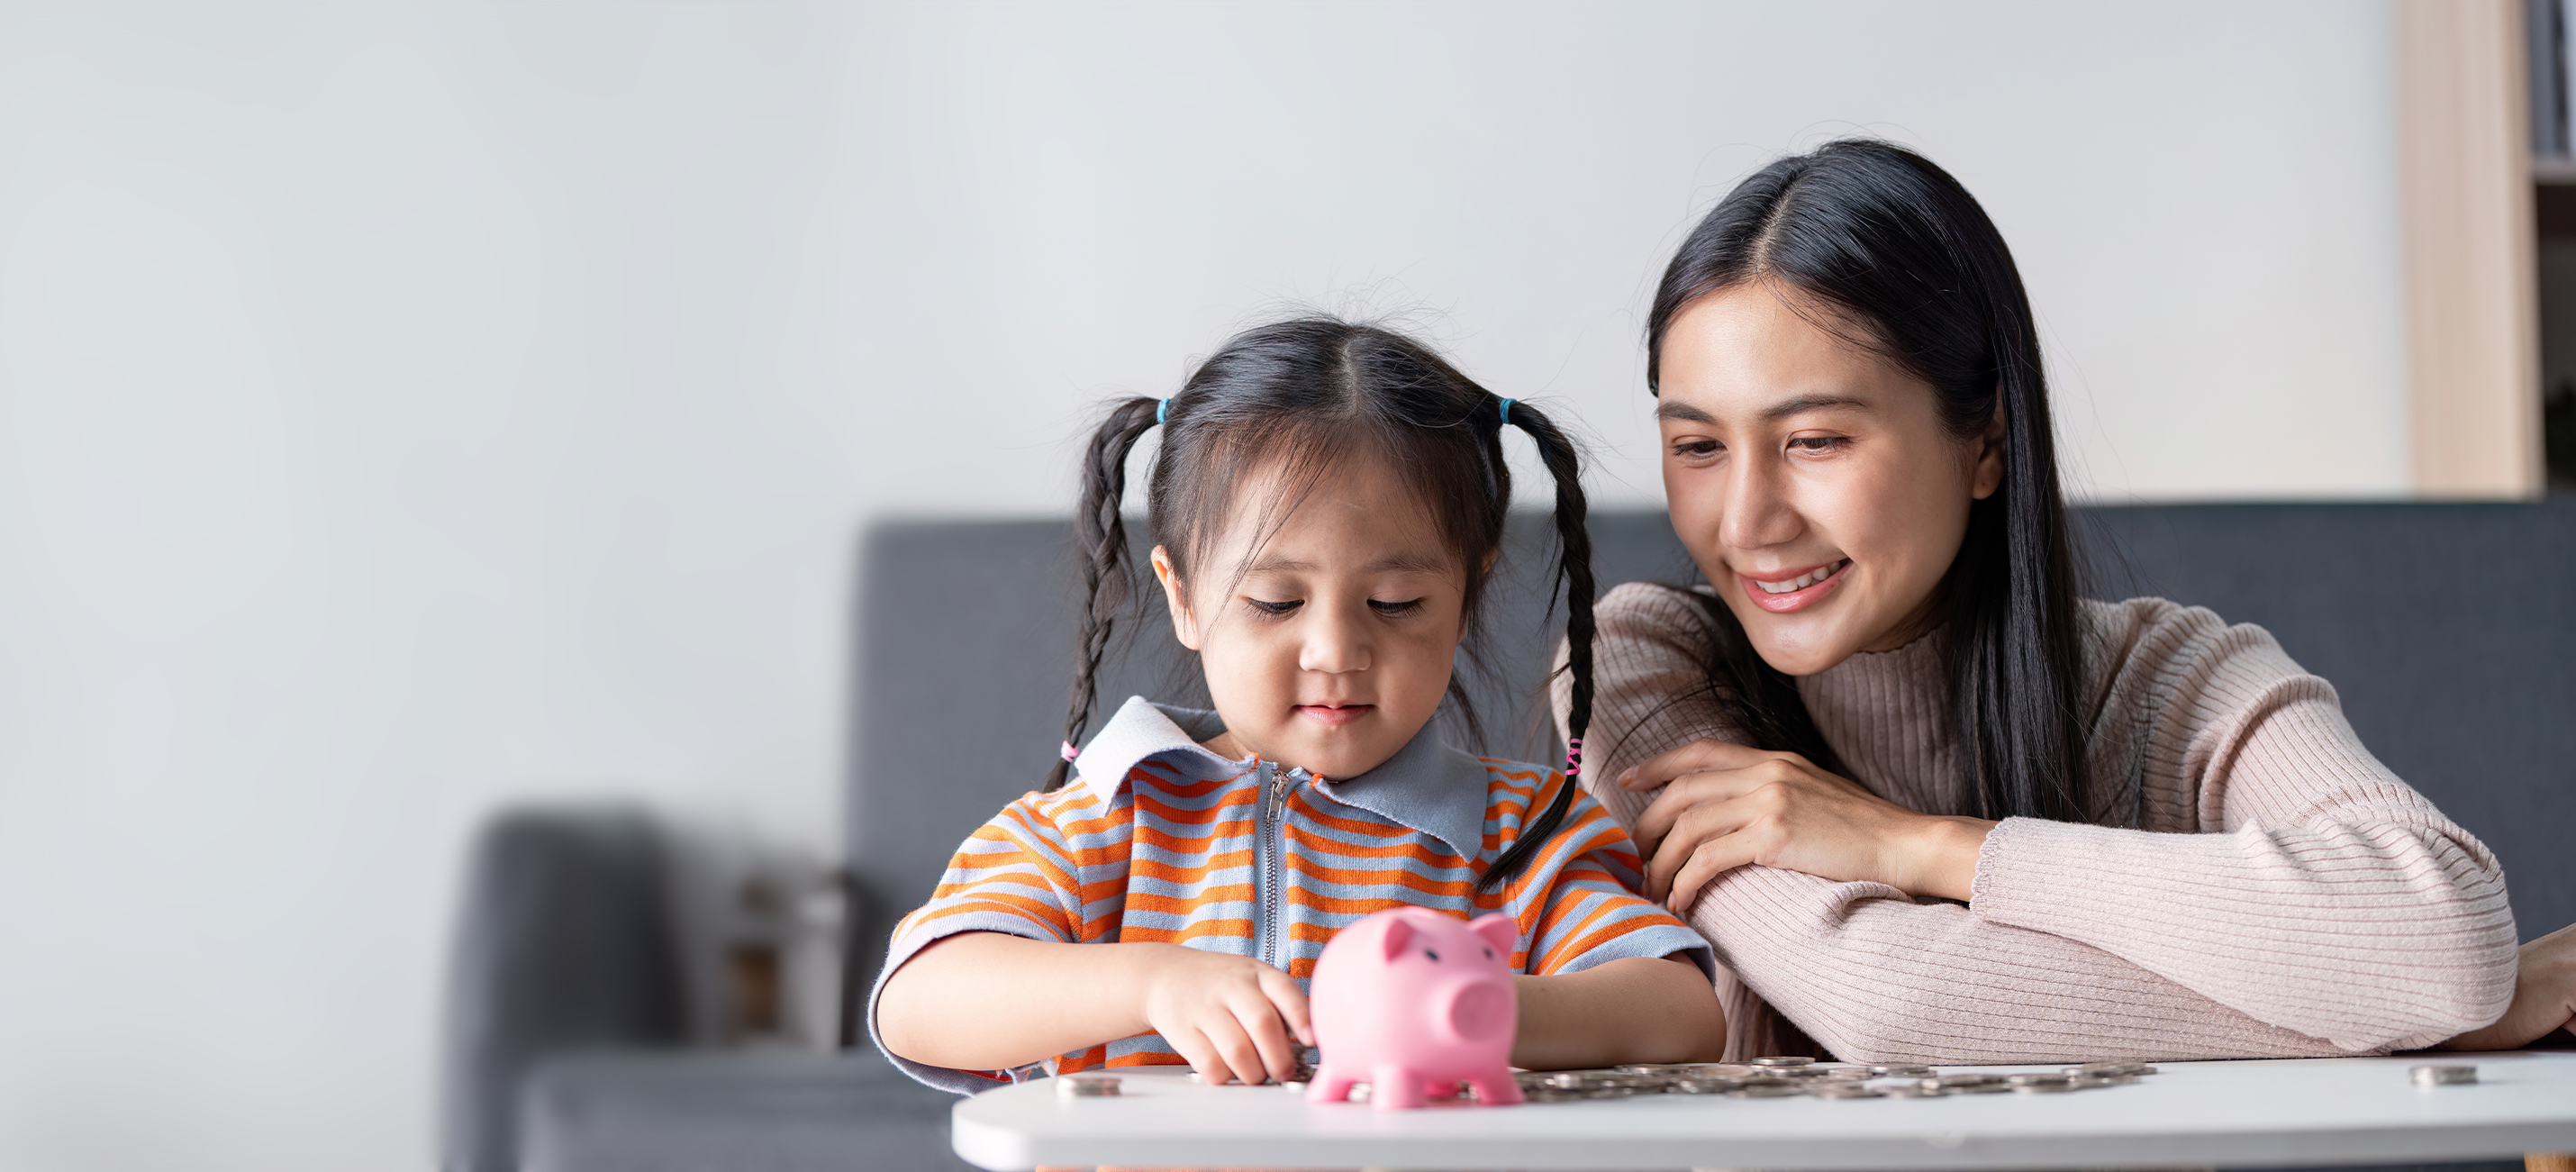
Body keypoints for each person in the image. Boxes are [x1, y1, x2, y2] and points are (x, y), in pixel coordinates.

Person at [1559, 138, 2571, 1063]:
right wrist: (2409, 1012)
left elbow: (2439, 933)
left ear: (1985, 443)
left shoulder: (2165, 678)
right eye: (1696, 446)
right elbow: (1888, 1000)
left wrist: (1919, 844)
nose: (1743, 521)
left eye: (1814, 440)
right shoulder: (1639, 670)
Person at [870, 317, 1724, 1093]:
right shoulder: (1099, 819)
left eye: (1395, 603)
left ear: (1469, 593)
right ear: (1185, 598)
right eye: (1276, 603)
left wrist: (1483, 1006)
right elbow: (919, 995)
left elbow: (1683, 1011)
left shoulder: (1523, 833)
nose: (1336, 651)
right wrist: (1152, 981)